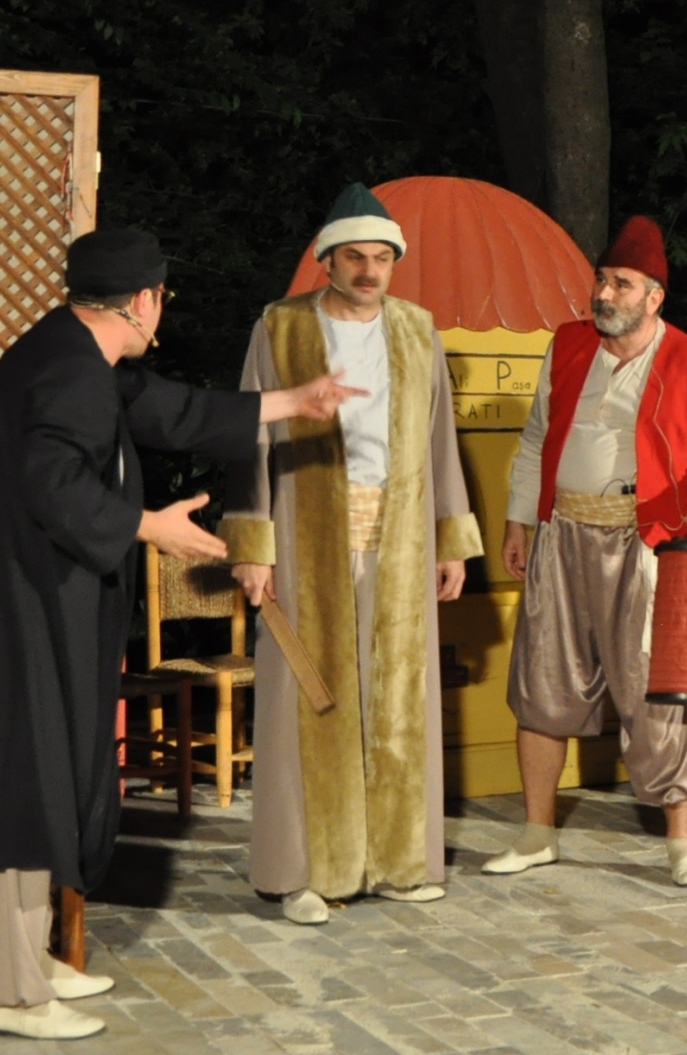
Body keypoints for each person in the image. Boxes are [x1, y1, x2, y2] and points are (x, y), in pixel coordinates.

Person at [0, 228, 354, 1039]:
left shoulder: (77, 352)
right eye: (163, 299)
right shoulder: (68, 372)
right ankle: (4, 993)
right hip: (2, 605)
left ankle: (26, 960)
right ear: (144, 301)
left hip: (17, 593)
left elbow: (170, 409)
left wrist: (294, 401)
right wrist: (151, 526)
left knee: (38, 774)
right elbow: (53, 485)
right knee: (14, 780)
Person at [221, 184, 482, 922]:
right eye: (355, 258)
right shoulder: (280, 327)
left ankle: (398, 862)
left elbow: (440, 442)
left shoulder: (416, 330)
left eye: (381, 259)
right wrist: (253, 542)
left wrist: (451, 541)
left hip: (399, 538)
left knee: (397, 700)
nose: (369, 271)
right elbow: (249, 435)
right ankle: (302, 872)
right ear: (327, 260)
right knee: (308, 697)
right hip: (305, 537)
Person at [483, 215, 687, 886]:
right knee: (541, 681)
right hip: (562, 536)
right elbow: (535, 438)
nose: (603, 293)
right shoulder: (569, 345)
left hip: (646, 545)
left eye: (621, 284)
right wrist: (519, 521)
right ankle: (538, 833)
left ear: (654, 297)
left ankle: (681, 841)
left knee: (659, 689)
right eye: (601, 280)